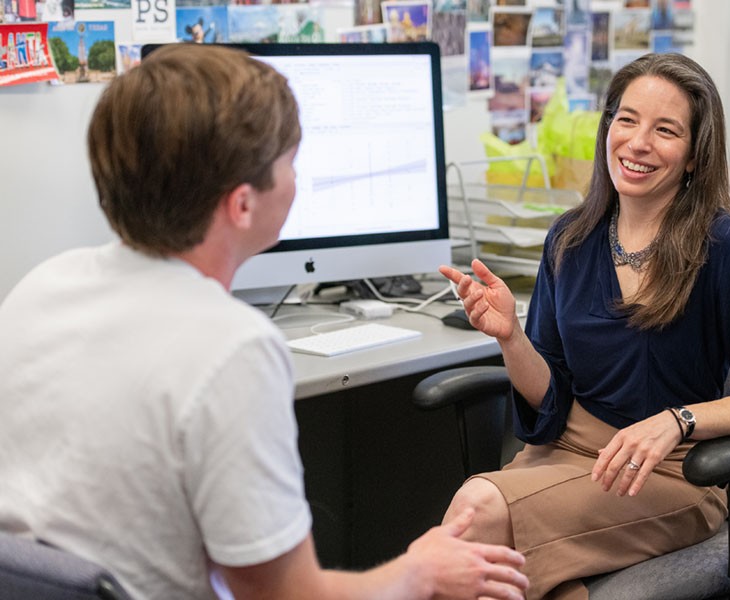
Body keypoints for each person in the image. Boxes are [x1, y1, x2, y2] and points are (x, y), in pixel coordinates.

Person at [0, 44, 529, 600]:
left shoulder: (44, 284)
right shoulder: (231, 349)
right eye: (290, 162)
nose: (299, 180)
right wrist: (420, 570)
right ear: (243, 206)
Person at [439, 52, 730, 600]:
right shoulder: (570, 239)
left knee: (473, 514)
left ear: (694, 157)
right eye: (626, 120)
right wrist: (510, 337)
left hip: (673, 471)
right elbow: (551, 398)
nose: (637, 142)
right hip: (568, 452)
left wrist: (679, 421)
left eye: (665, 130)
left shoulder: (725, 249)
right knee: (497, 580)